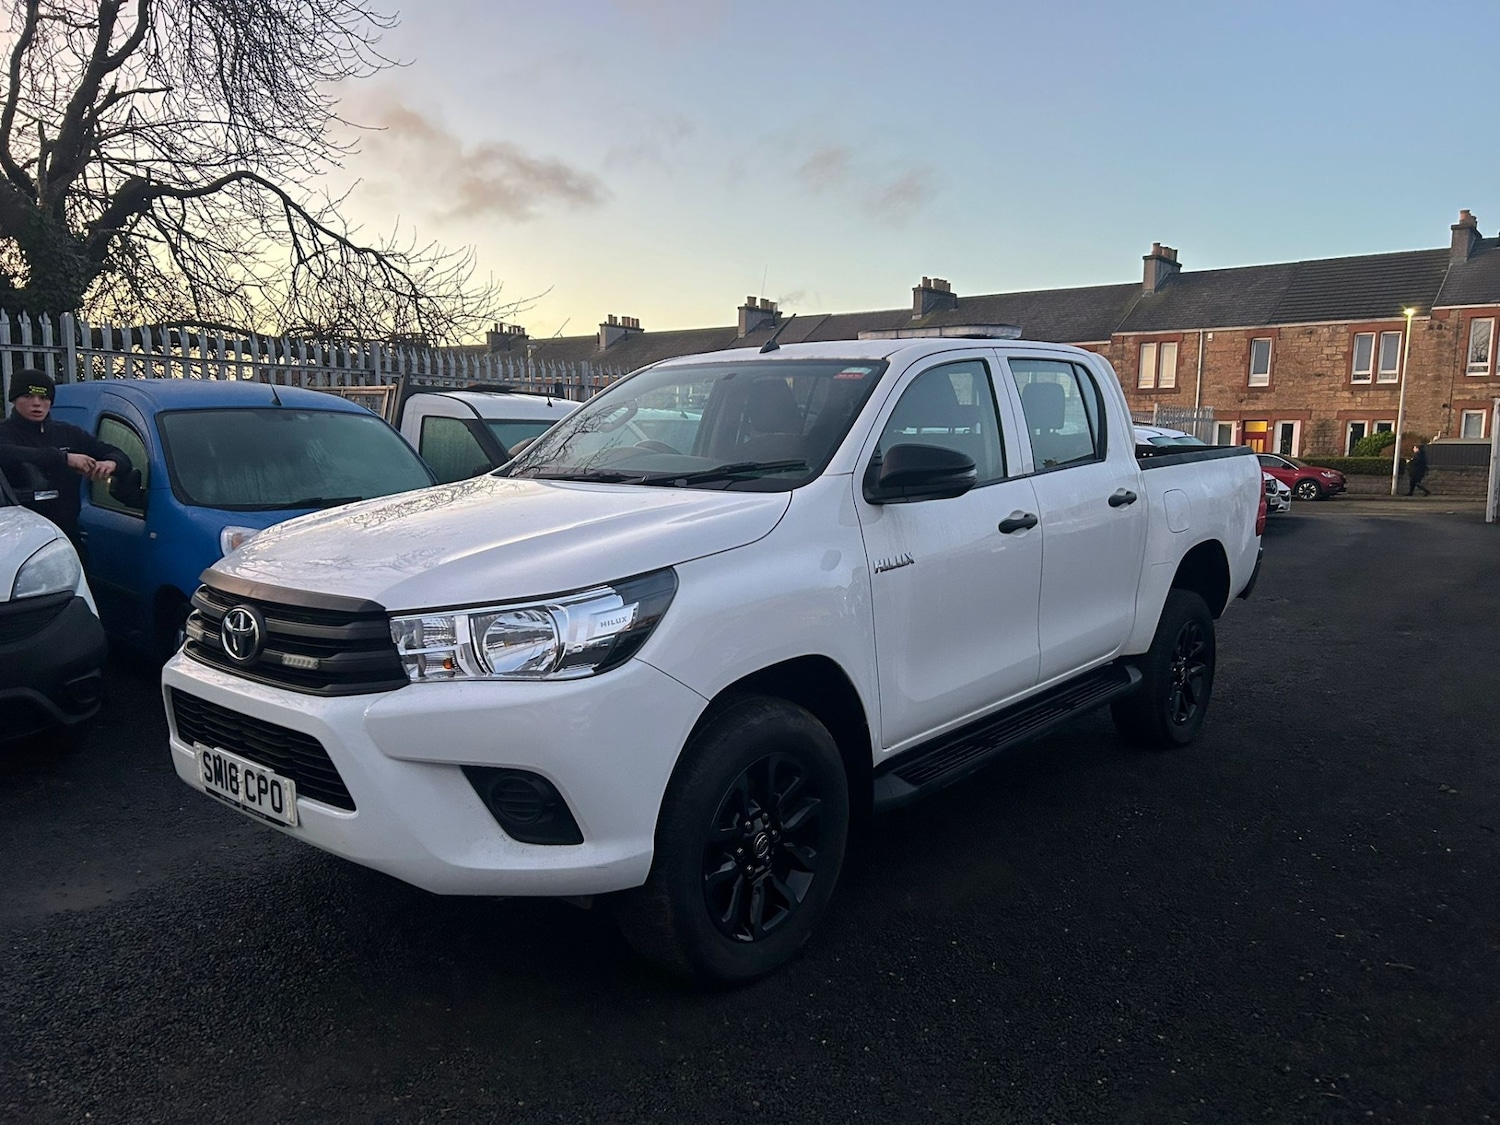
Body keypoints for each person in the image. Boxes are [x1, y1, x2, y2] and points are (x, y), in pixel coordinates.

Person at [0, 369, 131, 545]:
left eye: (44, 398)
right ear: (14, 399)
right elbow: (9, 453)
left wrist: (110, 464)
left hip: (66, 535)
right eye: (28, 396)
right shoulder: (4, 433)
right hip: (15, 539)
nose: (37, 403)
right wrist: (64, 458)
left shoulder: (69, 433)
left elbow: (118, 455)